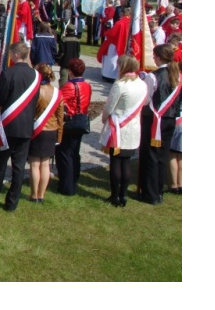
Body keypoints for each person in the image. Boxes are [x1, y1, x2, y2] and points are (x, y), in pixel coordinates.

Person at [0, 41, 41, 212]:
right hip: (25, 127)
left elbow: (0, 99)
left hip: (8, 126)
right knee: (19, 166)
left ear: (16, 55)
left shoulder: (8, 74)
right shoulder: (36, 75)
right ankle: (12, 202)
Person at [138, 44, 183, 205]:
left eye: (155, 56)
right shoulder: (178, 75)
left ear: (158, 57)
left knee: (151, 155)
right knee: (163, 156)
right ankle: (159, 190)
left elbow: (147, 100)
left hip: (154, 120)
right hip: (170, 120)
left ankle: (150, 193)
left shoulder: (153, 76)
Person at [100, 55, 147, 207]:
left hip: (118, 127)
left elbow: (109, 106)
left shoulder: (120, 85)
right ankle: (123, 195)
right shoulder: (142, 84)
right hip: (132, 128)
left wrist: (104, 118)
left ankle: (115, 196)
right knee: (125, 162)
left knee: (116, 162)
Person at [27, 63, 64, 203]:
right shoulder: (57, 93)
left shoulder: (35, 91)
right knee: (45, 165)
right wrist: (59, 136)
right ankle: (41, 195)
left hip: (37, 130)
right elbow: (60, 117)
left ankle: (33, 194)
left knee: (35, 164)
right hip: (51, 131)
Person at [55, 58, 92, 196]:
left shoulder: (69, 87)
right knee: (74, 152)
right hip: (81, 120)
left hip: (70, 122)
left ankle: (66, 186)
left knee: (65, 154)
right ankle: (74, 179)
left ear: (70, 71)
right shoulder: (87, 86)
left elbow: (59, 102)